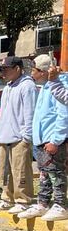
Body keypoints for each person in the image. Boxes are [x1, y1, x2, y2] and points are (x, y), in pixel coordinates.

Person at [17, 55, 68, 222]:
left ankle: (61, 204)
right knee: (44, 174)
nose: (32, 73)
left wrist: (56, 139)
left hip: (52, 140)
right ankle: (43, 203)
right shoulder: (45, 87)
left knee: (56, 173)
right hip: (41, 140)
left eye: (34, 70)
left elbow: (63, 115)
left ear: (45, 72)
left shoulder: (59, 86)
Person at [0, 56, 36, 214]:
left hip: (19, 137)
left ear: (17, 69)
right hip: (4, 135)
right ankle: (7, 198)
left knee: (20, 170)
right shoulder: (8, 87)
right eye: (1, 70)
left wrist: (27, 137)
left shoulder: (27, 86)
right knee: (4, 170)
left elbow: (29, 112)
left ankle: (23, 200)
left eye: (6, 70)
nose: (3, 73)